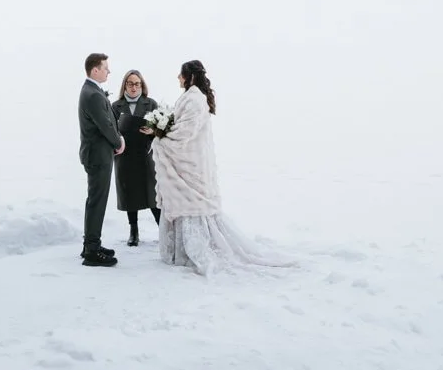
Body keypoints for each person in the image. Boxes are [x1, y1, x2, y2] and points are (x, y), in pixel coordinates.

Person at [146, 58, 293, 276]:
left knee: (192, 204)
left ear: (191, 76)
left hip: (192, 164)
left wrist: (160, 140)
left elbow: (186, 132)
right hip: (190, 161)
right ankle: (181, 250)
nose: (178, 77)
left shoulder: (195, 99)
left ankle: (193, 251)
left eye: (181, 74)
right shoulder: (191, 97)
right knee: (186, 204)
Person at [78, 52, 125, 267]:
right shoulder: (93, 94)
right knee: (97, 201)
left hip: (96, 154)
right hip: (98, 155)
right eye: (105, 68)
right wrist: (119, 142)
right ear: (94, 70)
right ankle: (92, 251)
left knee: (95, 200)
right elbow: (104, 124)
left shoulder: (90, 90)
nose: (108, 71)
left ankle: (91, 244)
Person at [111, 69, 161, 246]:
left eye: (137, 83)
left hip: (146, 155)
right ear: (125, 85)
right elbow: (110, 130)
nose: (134, 87)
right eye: (130, 83)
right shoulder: (115, 106)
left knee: (153, 193)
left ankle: (163, 230)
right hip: (125, 156)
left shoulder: (151, 104)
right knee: (129, 192)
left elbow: (164, 128)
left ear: (142, 85)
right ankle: (134, 231)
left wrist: (153, 131)